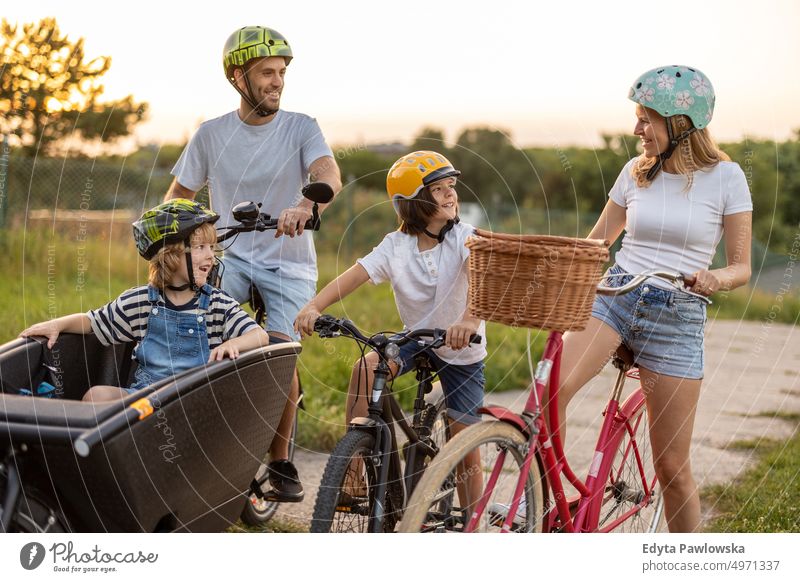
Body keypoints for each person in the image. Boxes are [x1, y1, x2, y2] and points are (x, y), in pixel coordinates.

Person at [557, 66, 752, 532]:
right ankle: (550, 496)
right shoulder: (635, 172)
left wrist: (714, 279)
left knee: (673, 470)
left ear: (681, 124)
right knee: (550, 395)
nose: (636, 129)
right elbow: (598, 242)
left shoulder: (727, 178)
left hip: (678, 313)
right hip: (616, 296)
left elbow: (741, 267)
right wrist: (556, 264)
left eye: (646, 119)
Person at [164, 26, 342, 502]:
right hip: (233, 253)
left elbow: (328, 173)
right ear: (238, 76)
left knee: (280, 351)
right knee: (192, 324)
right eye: (267, 72)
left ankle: (281, 460)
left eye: (281, 73)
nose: (276, 81)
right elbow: (178, 195)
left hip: (290, 263)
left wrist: (307, 206)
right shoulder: (211, 134)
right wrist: (179, 234)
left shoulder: (301, 126)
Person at [295, 151, 487, 510]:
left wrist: (469, 321)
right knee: (366, 368)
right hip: (416, 338)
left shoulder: (465, 236)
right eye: (439, 189)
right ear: (413, 202)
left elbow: (482, 280)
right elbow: (354, 275)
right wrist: (314, 306)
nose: (451, 194)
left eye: (452, 187)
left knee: (466, 449)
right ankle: (352, 474)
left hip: (463, 347)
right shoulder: (395, 246)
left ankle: (474, 521)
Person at [19, 200, 269, 402]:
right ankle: (100, 460)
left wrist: (233, 344)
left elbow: (259, 335)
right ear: (169, 255)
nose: (211, 257)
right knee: (97, 395)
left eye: (212, 248)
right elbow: (93, 322)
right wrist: (57, 325)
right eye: (201, 247)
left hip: (194, 403)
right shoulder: (141, 301)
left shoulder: (217, 303)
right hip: (144, 399)